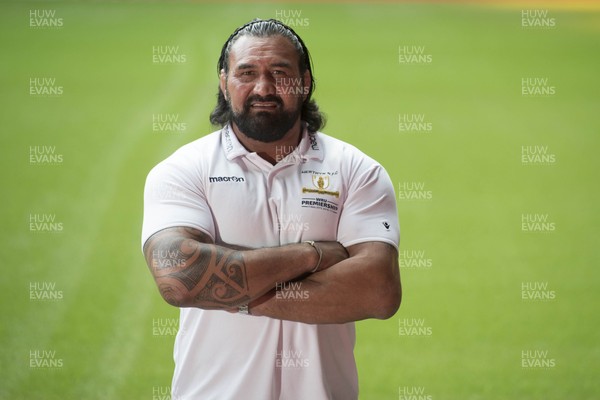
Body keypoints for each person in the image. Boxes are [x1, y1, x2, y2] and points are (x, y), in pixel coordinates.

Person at [142, 18, 401, 400]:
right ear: (223, 82)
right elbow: (179, 276)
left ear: (306, 82)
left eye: (280, 73)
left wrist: (227, 290)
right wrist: (312, 255)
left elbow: (378, 292)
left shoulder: (356, 170)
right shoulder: (183, 169)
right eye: (246, 73)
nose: (263, 88)